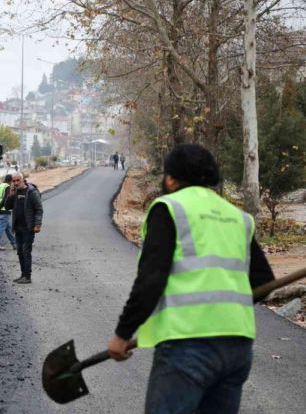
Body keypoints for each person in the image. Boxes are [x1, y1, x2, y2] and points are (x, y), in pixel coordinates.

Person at [107, 144, 274, 414]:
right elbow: (263, 282)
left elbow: (151, 280)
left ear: (171, 178)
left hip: (188, 345)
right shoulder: (238, 217)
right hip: (237, 346)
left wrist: (122, 334)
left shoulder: (170, 208)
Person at [4, 172, 43, 284]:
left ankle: (28, 276)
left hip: (28, 228)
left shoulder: (32, 192)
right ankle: (23, 275)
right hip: (18, 227)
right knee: (20, 251)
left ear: (23, 180)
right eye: (14, 181)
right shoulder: (14, 192)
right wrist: (10, 195)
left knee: (26, 251)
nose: (16, 183)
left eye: (18, 180)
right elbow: (7, 207)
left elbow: (39, 209)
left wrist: (37, 224)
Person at [0, 174, 17, 251]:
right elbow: (6, 199)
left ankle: (14, 243)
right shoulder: (7, 187)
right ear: (11, 181)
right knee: (2, 227)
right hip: (4, 210)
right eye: (13, 181)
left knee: (7, 228)